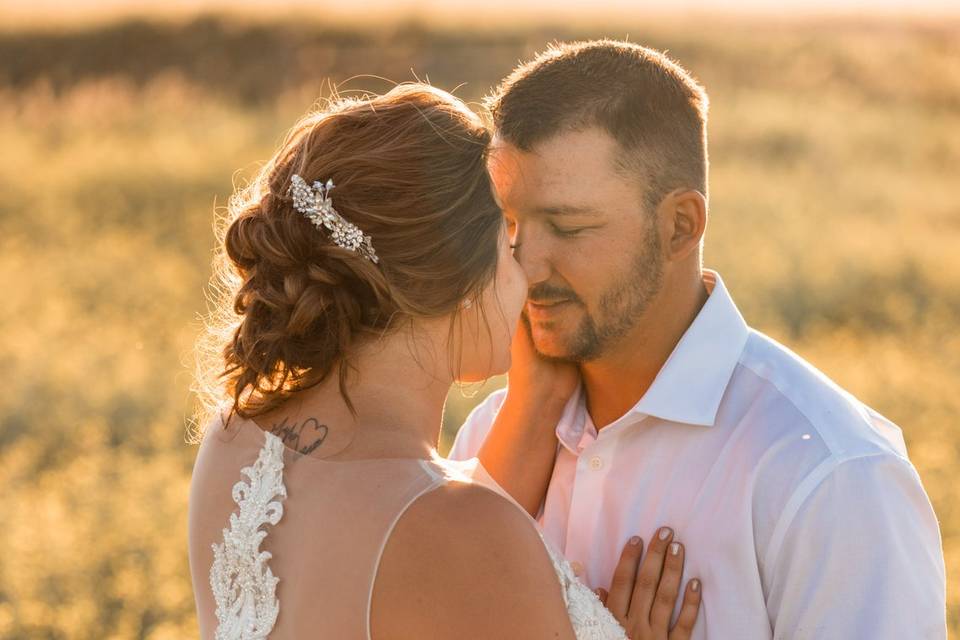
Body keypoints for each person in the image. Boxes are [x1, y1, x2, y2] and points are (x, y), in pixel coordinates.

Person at [449, 40, 947, 639]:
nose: (524, 264)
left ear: (680, 225)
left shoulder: (827, 473)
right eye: (508, 224)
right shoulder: (493, 436)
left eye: (569, 227)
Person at [187, 83, 702, 639]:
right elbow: (433, 544)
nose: (528, 275)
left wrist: (536, 406)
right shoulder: (469, 531)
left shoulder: (234, 444)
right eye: (509, 245)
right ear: (460, 282)